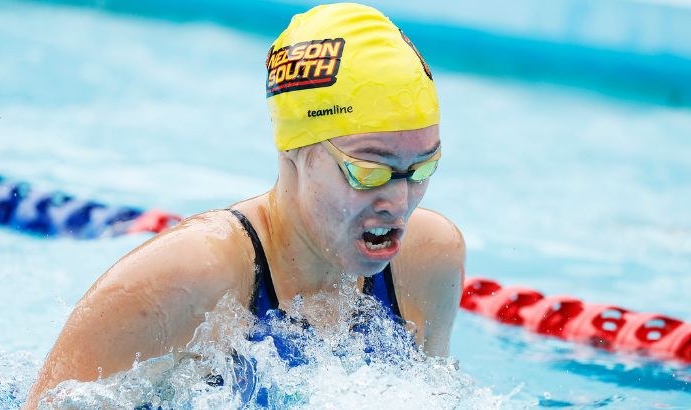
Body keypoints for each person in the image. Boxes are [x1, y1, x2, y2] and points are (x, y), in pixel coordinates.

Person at [25, 3, 464, 408]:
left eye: (422, 169)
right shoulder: (184, 277)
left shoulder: (429, 259)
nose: (399, 202)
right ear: (295, 150)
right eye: (368, 172)